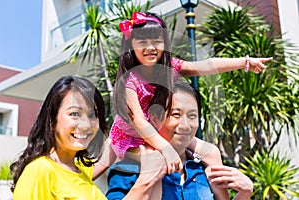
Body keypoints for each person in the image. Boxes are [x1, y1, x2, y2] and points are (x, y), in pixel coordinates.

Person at [94, 11, 272, 178]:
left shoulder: (170, 67)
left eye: (157, 41)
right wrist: (166, 148)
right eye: (142, 42)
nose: (150, 47)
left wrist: (245, 62)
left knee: (212, 152)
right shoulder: (130, 80)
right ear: (131, 46)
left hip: (164, 130)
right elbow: (139, 121)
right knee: (153, 159)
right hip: (132, 137)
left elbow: (207, 65)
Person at [9, 76, 165, 200]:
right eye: (74, 114)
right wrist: (145, 179)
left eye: (92, 115)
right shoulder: (39, 171)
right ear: (52, 120)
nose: (85, 125)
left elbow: (111, 147)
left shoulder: (81, 169)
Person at [106, 81, 253, 200]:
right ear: (155, 118)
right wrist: (146, 179)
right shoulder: (129, 169)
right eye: (176, 115)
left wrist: (244, 193)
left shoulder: (204, 168)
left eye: (192, 116)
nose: (185, 125)